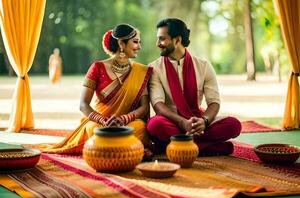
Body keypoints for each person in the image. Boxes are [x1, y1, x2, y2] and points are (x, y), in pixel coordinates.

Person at [44, 23, 153, 154]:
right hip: (100, 123)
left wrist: (124, 119)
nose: (139, 47)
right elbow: (83, 104)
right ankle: (127, 148)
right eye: (135, 42)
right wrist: (103, 120)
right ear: (121, 44)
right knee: (93, 129)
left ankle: (106, 148)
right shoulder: (98, 68)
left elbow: (145, 106)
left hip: (127, 124)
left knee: (140, 126)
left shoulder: (141, 71)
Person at [147, 18, 241, 155]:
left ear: (177, 40)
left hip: (198, 123)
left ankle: (173, 146)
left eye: (162, 39)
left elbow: (214, 102)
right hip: (171, 123)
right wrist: (182, 122)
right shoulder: (154, 67)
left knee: (234, 125)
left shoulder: (203, 66)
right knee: (155, 125)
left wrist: (204, 121)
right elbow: (158, 105)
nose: (158, 44)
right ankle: (211, 148)